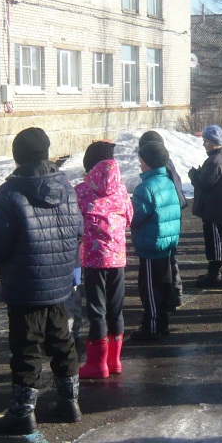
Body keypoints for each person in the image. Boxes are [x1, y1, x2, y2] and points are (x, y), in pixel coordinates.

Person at [0, 127, 84, 431]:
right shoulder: (66, 187)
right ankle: (70, 402)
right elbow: (78, 230)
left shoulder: (9, 193)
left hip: (25, 284)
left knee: (27, 347)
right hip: (60, 281)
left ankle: (23, 411)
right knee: (62, 341)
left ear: (17, 156)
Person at [74, 140, 133, 381]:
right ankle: (114, 360)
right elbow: (129, 217)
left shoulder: (81, 190)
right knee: (115, 309)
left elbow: (75, 223)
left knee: (96, 310)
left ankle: (97, 364)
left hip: (92, 259)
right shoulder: (121, 190)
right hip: (117, 258)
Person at [131, 139, 182, 340]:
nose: (139, 164)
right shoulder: (167, 181)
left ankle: (152, 326)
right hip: (166, 244)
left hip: (151, 245)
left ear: (149, 162)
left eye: (141, 161)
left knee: (150, 290)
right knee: (162, 286)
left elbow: (135, 216)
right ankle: (161, 323)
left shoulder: (146, 188)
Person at [138, 130, 188, 310]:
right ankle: (174, 296)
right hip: (170, 219)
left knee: (168, 262)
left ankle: (174, 295)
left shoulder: (162, 171)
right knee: (169, 261)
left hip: (164, 221)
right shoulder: (168, 165)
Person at [189, 125, 222, 288]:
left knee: (214, 241)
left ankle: (215, 273)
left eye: (206, 141)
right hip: (213, 207)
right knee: (214, 240)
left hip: (214, 208)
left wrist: (194, 175)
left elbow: (204, 182)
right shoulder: (218, 157)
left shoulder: (216, 160)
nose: (204, 144)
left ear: (214, 141)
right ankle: (214, 271)